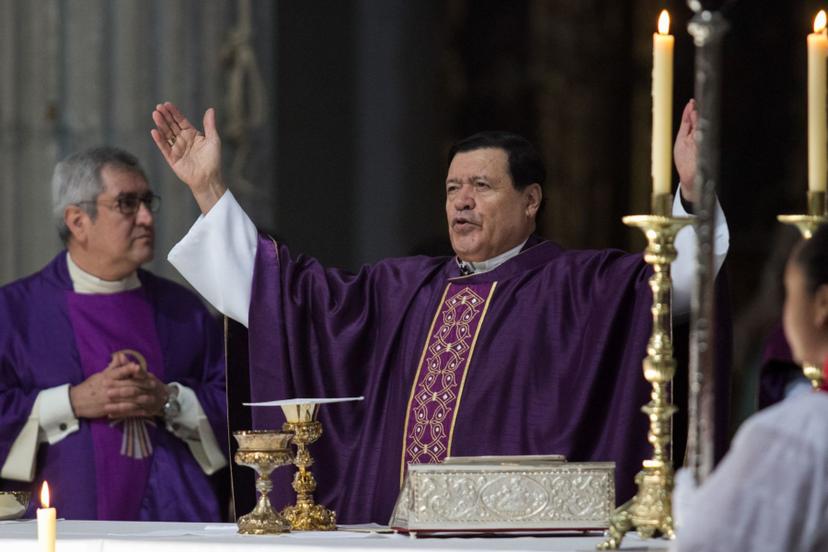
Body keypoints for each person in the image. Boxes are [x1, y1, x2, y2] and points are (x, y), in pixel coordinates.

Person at [150, 99, 729, 523]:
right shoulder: (401, 288)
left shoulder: (578, 286)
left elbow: (675, 284)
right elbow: (287, 298)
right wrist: (209, 192)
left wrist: (694, 193)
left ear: (531, 202)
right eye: (453, 188)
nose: (463, 202)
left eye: (482, 186)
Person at [0, 147, 228, 521]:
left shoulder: (182, 312)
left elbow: (238, 407)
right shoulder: (15, 312)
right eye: (126, 204)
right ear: (77, 221)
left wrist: (168, 400)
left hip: (177, 525)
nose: (146, 218)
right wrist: (72, 402)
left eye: (146, 202)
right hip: (60, 525)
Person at [675, 225, 828, 552]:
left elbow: (708, 543)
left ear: (822, 303)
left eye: (790, 294)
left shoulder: (793, 435)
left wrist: (686, 496)